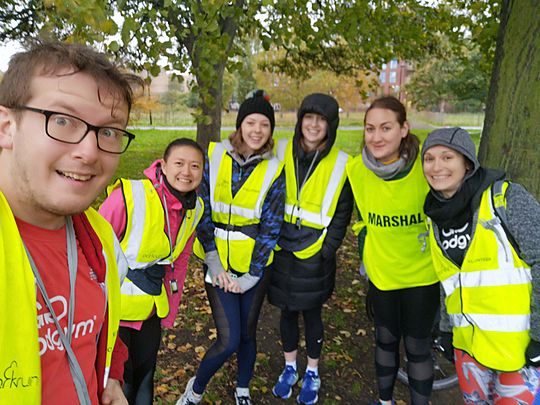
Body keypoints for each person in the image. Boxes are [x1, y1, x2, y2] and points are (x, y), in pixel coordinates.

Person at [0, 39, 142, 404]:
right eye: (62, 120)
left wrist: (110, 376)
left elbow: (102, 331)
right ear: (5, 127)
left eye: (108, 131)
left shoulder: (99, 236)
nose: (89, 152)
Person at [176, 90, 285, 405]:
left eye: (264, 124)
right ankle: (195, 391)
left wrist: (253, 273)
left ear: (270, 130)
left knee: (248, 334)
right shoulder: (213, 156)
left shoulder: (275, 169)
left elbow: (271, 225)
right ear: (240, 125)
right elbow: (202, 208)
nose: (257, 130)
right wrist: (214, 262)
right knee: (228, 340)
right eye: (251, 122)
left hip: (253, 270)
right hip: (218, 266)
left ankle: (242, 389)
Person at [421, 127, 540, 404]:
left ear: (467, 162)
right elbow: (449, 279)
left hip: (519, 354)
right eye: (429, 158)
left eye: (447, 157)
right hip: (469, 350)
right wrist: (447, 330)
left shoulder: (505, 200)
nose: (436, 167)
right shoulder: (435, 215)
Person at [345, 96, 439, 405]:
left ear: (404, 129)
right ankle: (384, 401)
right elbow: (362, 218)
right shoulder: (356, 168)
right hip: (381, 273)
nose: (376, 137)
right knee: (384, 341)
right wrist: (364, 258)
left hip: (421, 275)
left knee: (417, 347)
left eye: (386, 128)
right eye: (370, 128)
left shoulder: (427, 166)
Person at [99, 138, 205, 404]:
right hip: (114, 313)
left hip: (150, 311)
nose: (187, 172)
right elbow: (95, 248)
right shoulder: (129, 197)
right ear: (164, 165)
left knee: (146, 379)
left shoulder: (195, 208)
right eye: (179, 163)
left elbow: (178, 262)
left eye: (195, 166)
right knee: (120, 385)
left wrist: (170, 310)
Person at [267, 93, 353, 404]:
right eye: (308, 117)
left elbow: (343, 212)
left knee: (312, 313)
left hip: (315, 252)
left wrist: (328, 249)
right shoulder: (279, 151)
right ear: (300, 120)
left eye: (321, 119)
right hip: (280, 249)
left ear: (331, 125)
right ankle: (290, 367)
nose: (314, 124)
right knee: (286, 311)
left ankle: (312, 372)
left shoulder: (342, 163)